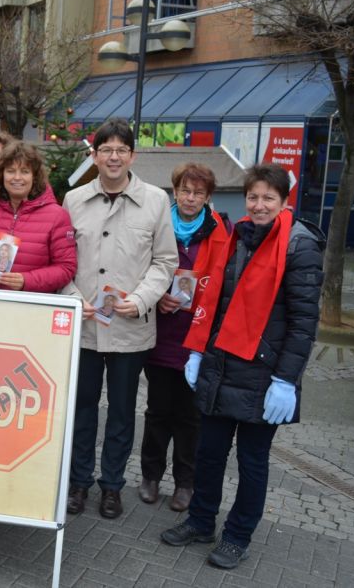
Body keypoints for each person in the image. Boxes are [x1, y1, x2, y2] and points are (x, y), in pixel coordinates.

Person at [161, 164, 324, 569]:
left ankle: (237, 535)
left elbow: (304, 324)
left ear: (285, 201)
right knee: (209, 452)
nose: (260, 204)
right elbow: (215, 298)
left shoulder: (298, 246)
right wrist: (199, 350)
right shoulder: (239, 236)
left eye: (269, 197)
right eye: (253, 196)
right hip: (221, 364)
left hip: (264, 374)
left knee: (252, 462)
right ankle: (201, 521)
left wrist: (286, 380)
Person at [62, 118, 178, 519]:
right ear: (94, 155)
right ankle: (78, 481)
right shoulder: (74, 200)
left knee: (123, 412)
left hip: (130, 329)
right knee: (81, 409)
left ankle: (112, 485)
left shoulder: (156, 201)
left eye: (121, 149)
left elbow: (165, 261)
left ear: (132, 155)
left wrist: (143, 299)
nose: (113, 156)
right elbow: (62, 262)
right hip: (85, 326)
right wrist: (74, 299)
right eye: (105, 149)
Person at [139, 163, 230, 512]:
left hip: (197, 338)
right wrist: (157, 294)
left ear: (208, 197)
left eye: (198, 193)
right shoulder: (159, 225)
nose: (190, 198)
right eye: (185, 191)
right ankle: (150, 476)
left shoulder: (222, 231)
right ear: (174, 192)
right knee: (158, 411)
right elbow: (143, 268)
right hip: (161, 335)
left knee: (191, 418)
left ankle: (185, 483)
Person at [0, 141, 77, 294]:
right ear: (1, 174)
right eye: (11, 171)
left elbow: (66, 268)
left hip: (32, 306)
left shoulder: (57, 216)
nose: (17, 177)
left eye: (25, 171)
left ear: (35, 176)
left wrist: (27, 281)